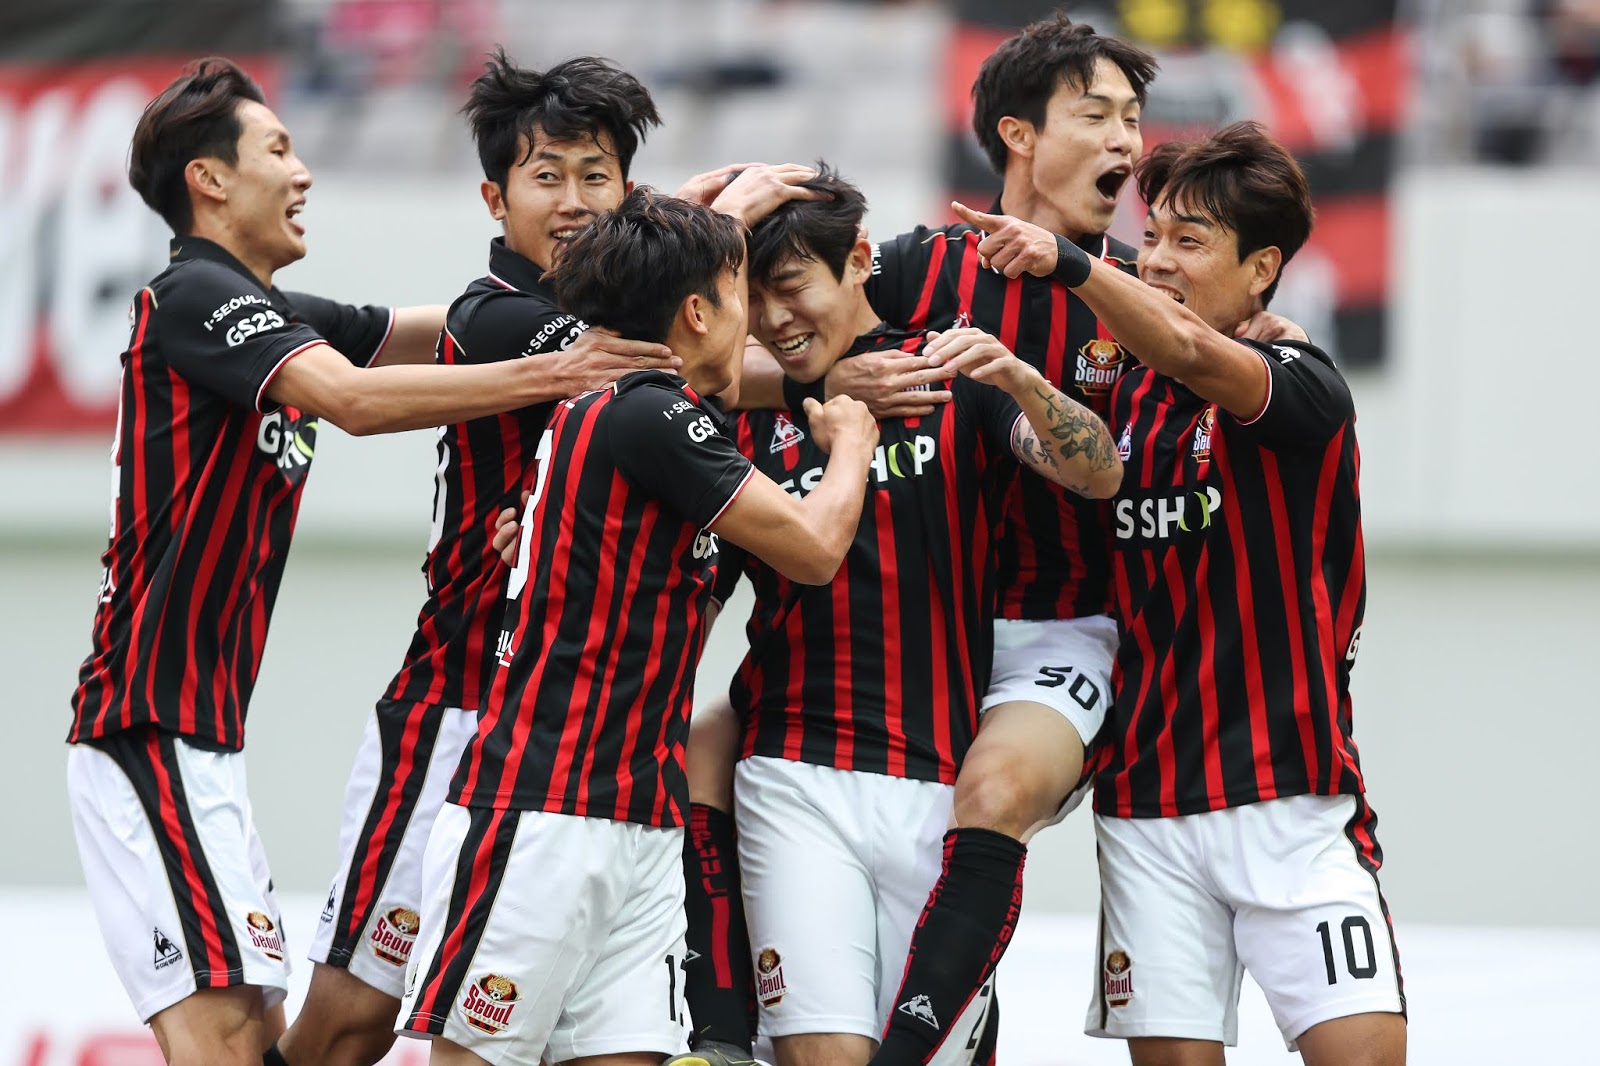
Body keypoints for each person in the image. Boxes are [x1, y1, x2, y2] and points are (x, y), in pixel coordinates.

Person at [64, 56, 614, 1066]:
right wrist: (560, 368)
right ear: (210, 180)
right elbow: (356, 405)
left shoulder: (275, 313)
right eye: (278, 148)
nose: (304, 170)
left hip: (202, 740)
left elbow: (439, 333)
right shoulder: (196, 295)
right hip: (146, 725)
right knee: (231, 1038)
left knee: (267, 1035)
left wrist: (673, 245)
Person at [952, 120, 1404, 1065]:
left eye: (1188, 242)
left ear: (1262, 269)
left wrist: (1072, 266)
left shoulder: (1302, 382)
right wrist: (1006, 383)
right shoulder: (1123, 410)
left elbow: (1201, 358)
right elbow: (1070, 436)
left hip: (1293, 802)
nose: (1155, 260)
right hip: (1148, 810)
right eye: (1150, 235)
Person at [396, 188, 881, 1066]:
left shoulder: (630, 417)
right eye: (740, 299)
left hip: (640, 820)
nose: (757, 327)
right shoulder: (651, 412)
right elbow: (812, 548)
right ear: (695, 312)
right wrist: (850, 436)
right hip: (541, 811)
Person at [761, 18, 1158, 1066]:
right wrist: (825, 381)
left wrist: (1273, 336)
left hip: (1067, 629)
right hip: (923, 632)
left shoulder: (1136, 294)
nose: (1128, 139)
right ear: (1019, 134)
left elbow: (1229, 357)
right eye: (1098, 114)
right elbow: (780, 338)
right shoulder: (913, 267)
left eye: (1134, 118)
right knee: (717, 742)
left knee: (992, 795)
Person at [273, 51, 674, 1066]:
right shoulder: (499, 309)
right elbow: (711, 368)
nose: (575, 201)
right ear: (496, 197)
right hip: (454, 713)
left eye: (597, 175)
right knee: (352, 1021)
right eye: (548, 177)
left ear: (628, 187)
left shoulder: (639, 312)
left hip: (583, 745)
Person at [708, 167, 1121, 1066]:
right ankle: (716, 1034)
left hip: (941, 782)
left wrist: (1017, 377)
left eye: (791, 289)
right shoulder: (742, 417)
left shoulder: (948, 369)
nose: (776, 321)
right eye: (755, 298)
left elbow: (1098, 473)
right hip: (792, 774)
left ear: (859, 261)